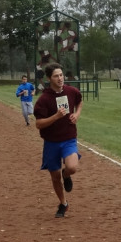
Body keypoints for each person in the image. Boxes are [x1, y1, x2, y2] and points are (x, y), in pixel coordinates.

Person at [34, 63, 83, 218]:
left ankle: (66, 174)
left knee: (73, 167)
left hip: (68, 138)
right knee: (55, 177)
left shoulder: (71, 91)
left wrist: (77, 114)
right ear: (49, 78)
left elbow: (79, 101)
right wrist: (56, 116)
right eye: (56, 76)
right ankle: (63, 203)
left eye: (61, 75)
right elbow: (38, 124)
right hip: (51, 142)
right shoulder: (44, 99)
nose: (60, 78)